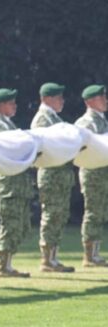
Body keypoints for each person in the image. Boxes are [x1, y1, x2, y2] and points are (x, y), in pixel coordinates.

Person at [0, 88, 34, 278]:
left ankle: (8, 264)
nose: (15, 106)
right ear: (0, 105)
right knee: (10, 225)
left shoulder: (6, 123)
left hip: (16, 182)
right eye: (10, 102)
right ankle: (3, 266)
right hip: (9, 184)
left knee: (20, 226)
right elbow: (8, 149)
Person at [31, 82, 75, 273]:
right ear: (46, 99)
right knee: (51, 216)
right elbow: (48, 145)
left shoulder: (53, 118)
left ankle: (53, 257)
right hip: (51, 175)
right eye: (58, 97)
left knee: (59, 215)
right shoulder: (42, 119)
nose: (62, 101)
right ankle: (47, 259)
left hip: (59, 175)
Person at [75, 84, 108, 267]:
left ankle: (95, 253)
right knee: (93, 212)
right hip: (92, 173)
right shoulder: (86, 123)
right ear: (89, 102)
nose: (105, 100)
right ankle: (89, 255)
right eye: (101, 97)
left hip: (102, 172)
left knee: (100, 212)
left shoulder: (102, 120)